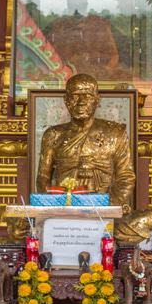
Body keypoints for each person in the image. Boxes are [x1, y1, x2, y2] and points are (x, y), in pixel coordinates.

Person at [35, 73, 135, 210]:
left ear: (97, 100)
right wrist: (51, 207)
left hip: (105, 208)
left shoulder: (115, 133)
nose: (81, 101)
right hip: (65, 208)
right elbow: (42, 178)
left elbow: (126, 177)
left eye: (88, 96)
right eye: (75, 95)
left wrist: (110, 207)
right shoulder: (53, 135)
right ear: (66, 100)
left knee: (149, 219)